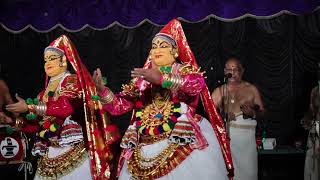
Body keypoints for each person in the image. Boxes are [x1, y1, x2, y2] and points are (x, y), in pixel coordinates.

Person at [93, 19, 234, 180]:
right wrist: (103, 91)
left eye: (163, 45)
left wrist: (162, 78)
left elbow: (196, 85)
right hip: (146, 143)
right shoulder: (143, 79)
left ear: (175, 51)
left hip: (181, 140)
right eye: (154, 46)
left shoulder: (184, 71)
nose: (157, 49)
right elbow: (119, 106)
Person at [6, 35, 118, 180]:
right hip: (50, 154)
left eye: (52, 58)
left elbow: (66, 108)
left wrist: (29, 107)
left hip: (74, 151)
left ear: (63, 61)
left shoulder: (72, 81)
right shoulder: (42, 94)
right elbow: (38, 126)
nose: (47, 63)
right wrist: (14, 122)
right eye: (45, 60)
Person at [211, 57, 264, 180]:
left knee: (249, 175)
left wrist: (253, 113)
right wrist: (222, 116)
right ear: (225, 72)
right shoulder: (220, 91)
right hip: (228, 142)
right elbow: (209, 115)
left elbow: (263, 112)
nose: (232, 72)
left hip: (247, 143)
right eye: (229, 69)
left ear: (242, 71)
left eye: (236, 69)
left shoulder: (251, 89)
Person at [301, 85, 320, 180]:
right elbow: (311, 110)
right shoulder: (315, 90)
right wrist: (308, 120)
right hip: (315, 128)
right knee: (313, 165)